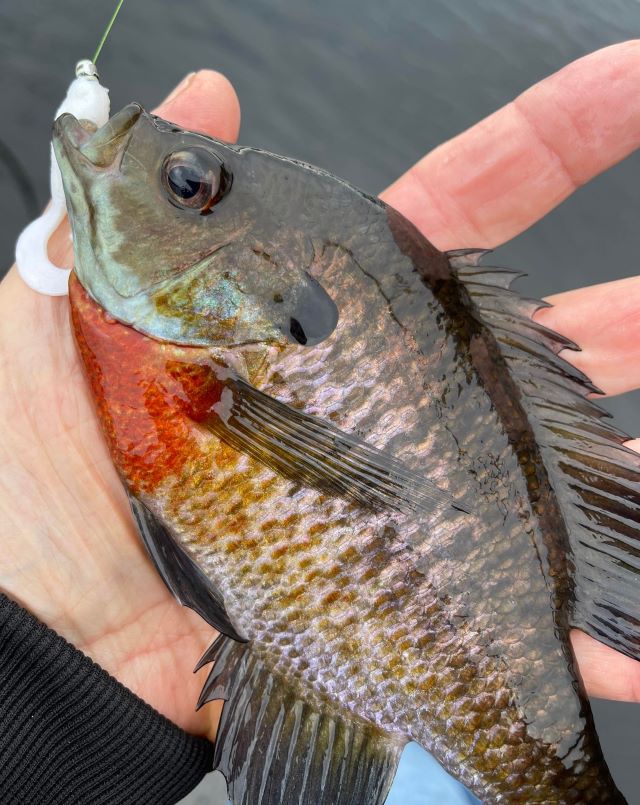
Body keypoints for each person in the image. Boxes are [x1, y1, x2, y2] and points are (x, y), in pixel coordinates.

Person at [1, 40, 639, 804]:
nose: (159, 169)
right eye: (187, 182)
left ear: (261, 282)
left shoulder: (201, 369)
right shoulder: (192, 358)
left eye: (187, 184)